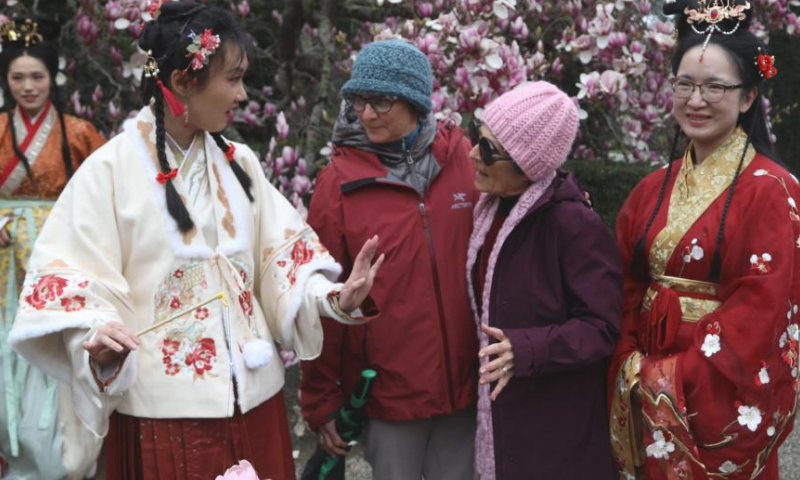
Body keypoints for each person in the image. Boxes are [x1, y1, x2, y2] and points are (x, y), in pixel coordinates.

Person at [6, 2, 383, 479]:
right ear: (185, 81)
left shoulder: (239, 163)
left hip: (257, 407)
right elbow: (72, 281)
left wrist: (334, 297)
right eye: (234, 79)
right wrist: (97, 334)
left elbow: (279, 265)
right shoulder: (110, 170)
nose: (244, 94)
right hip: (162, 417)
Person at [609, 1, 799, 479]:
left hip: (712, 387)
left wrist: (673, 378)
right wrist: (630, 361)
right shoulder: (652, 188)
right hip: (644, 377)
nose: (696, 100)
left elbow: (762, 309)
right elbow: (626, 283)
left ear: (749, 97)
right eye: (685, 85)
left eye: (715, 87)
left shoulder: (773, 190)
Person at [300, 39, 479, 480]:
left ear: (416, 102)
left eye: (380, 100)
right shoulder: (337, 183)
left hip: (467, 387)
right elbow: (320, 295)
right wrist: (321, 399)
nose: (365, 113)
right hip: (390, 395)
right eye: (358, 100)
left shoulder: (463, 159)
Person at [467, 81, 621, 480]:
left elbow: (602, 327)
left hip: (553, 430)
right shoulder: (488, 212)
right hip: (505, 415)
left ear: (527, 163)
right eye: (476, 137)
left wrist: (526, 348)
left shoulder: (572, 224)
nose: (471, 154)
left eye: (487, 150)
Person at [0, 15, 106, 479]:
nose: (28, 87)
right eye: (18, 77)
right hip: (3, 264)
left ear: (52, 77)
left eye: (36, 76)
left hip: (56, 260)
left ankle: (60, 456)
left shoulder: (79, 134)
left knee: (52, 346)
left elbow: (104, 197)